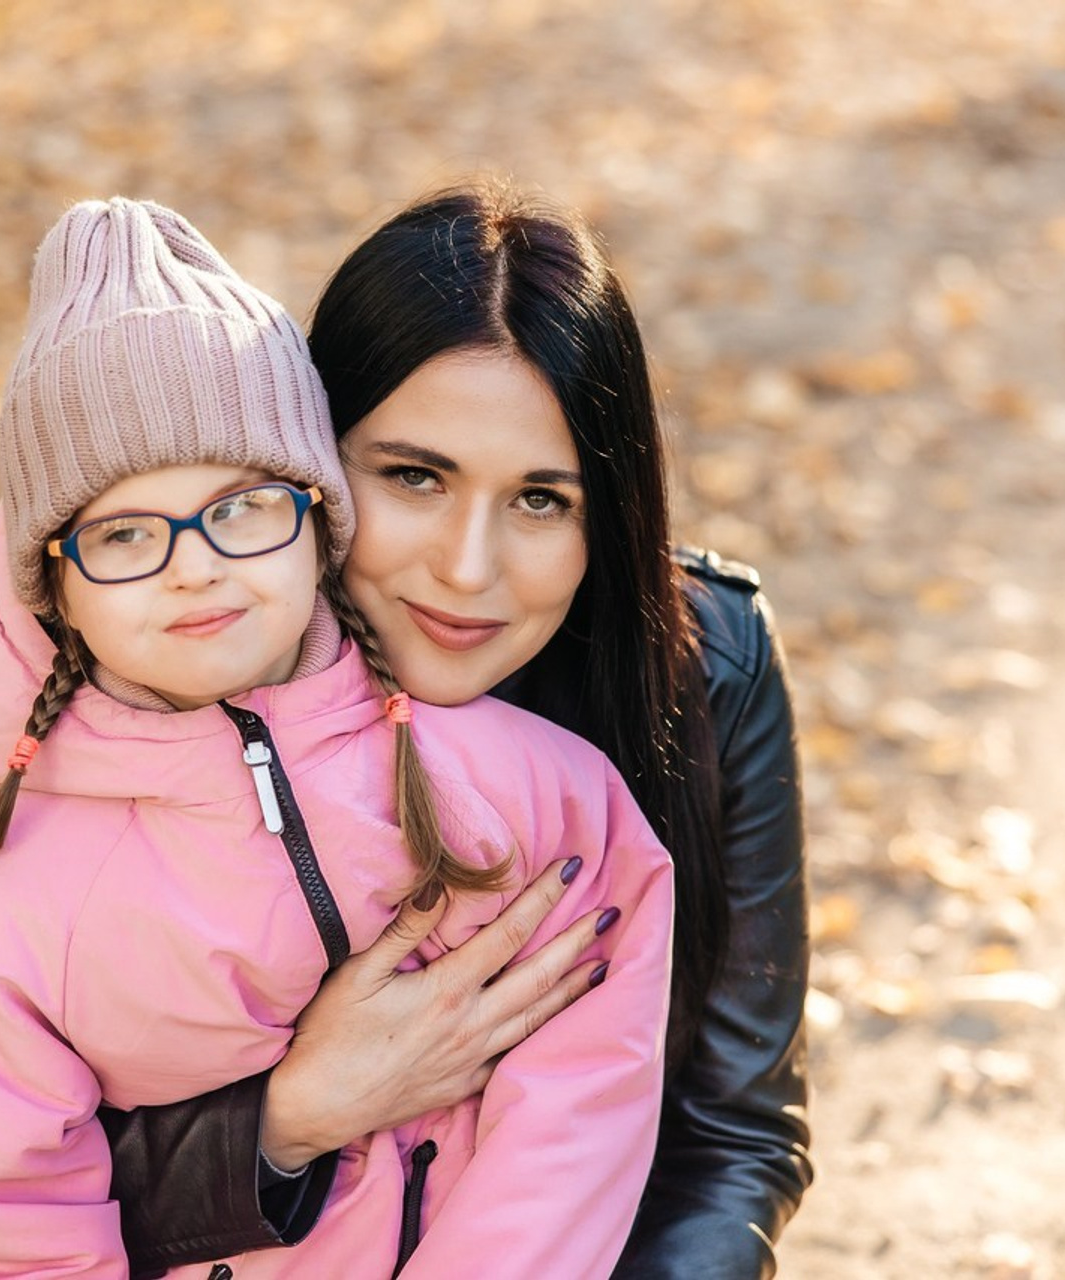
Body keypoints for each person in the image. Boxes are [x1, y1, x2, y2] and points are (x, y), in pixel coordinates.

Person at [0, 197, 676, 1278]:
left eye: (242, 506)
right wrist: (287, 1117)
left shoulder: (529, 783)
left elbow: (578, 1109)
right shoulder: (8, 901)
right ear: (51, 586)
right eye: (125, 533)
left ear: (315, 516)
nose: (193, 564)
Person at [104, 180, 814, 1280]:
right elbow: (10, 1187)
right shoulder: (148, 678)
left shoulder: (701, 668)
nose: (467, 570)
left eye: (541, 499)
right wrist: (288, 1117)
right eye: (413, 476)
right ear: (309, 458)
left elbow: (731, 1134)